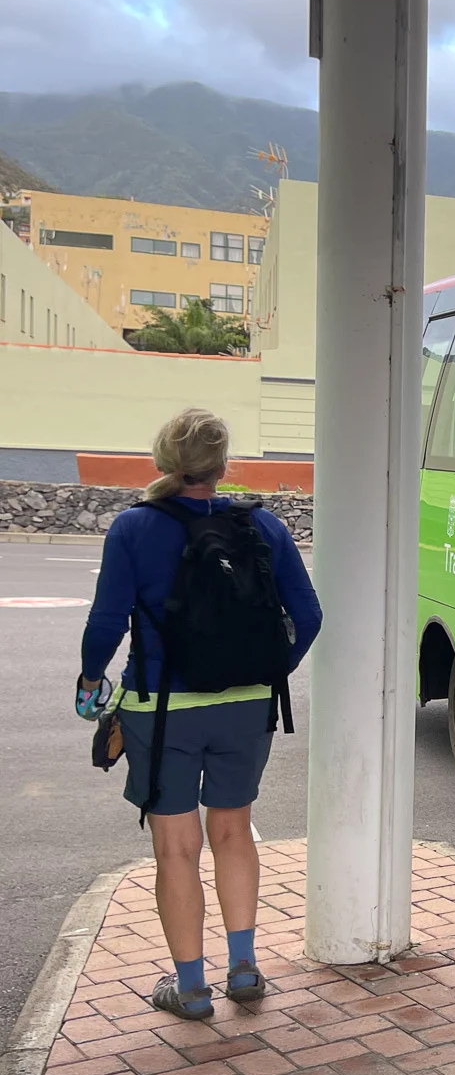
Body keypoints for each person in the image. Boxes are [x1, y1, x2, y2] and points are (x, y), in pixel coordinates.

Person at [77, 409, 321, 1021]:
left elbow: (107, 623)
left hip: (161, 710)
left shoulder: (134, 527)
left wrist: (89, 683)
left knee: (177, 848)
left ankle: (190, 988)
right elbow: (310, 616)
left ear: (164, 460)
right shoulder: (262, 524)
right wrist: (267, 671)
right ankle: (244, 969)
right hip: (246, 706)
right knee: (234, 832)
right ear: (221, 464)